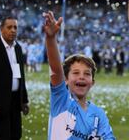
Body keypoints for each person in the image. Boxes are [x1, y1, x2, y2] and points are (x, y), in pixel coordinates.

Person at [43, 11, 115, 140]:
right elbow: (55, 69)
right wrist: (50, 38)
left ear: (92, 82)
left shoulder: (99, 114)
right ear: (66, 80)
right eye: (75, 73)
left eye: (87, 74)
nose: (81, 77)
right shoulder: (61, 102)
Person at [0, 15, 29, 139]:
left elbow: (19, 76)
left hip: (15, 101)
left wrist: (24, 99)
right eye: (9, 27)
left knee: (16, 135)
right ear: (1, 29)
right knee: (3, 136)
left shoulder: (18, 48)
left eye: (15, 27)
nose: (13, 30)